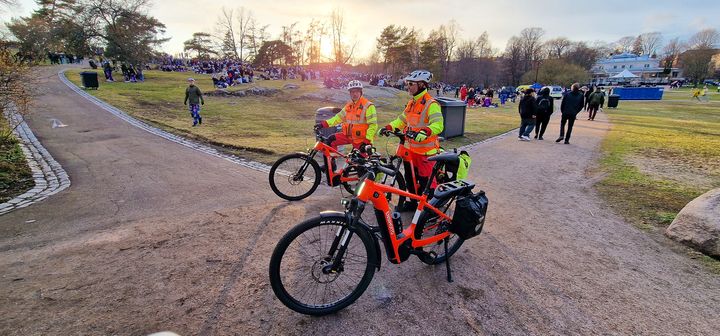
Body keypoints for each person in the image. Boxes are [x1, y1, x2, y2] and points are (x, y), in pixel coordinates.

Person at [380, 70, 443, 210]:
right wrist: (388, 126)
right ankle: (413, 203)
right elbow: (401, 120)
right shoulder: (411, 103)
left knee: (427, 182)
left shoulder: (431, 104)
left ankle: (430, 210)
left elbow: (438, 125)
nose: (407, 86)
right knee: (410, 178)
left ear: (421, 84)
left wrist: (426, 131)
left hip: (427, 152)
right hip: (411, 150)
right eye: (407, 83)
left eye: (410, 84)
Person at [315, 80, 377, 151]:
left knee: (359, 161)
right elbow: (338, 118)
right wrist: (323, 124)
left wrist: (367, 141)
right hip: (348, 136)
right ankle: (332, 161)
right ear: (350, 93)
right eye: (352, 92)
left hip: (361, 139)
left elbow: (373, 125)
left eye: (357, 91)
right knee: (331, 140)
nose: (355, 94)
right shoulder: (349, 106)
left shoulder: (368, 106)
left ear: (361, 92)